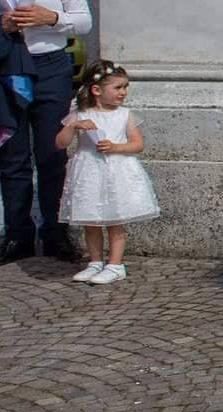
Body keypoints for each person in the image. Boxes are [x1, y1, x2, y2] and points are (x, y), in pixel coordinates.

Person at [0, 0, 92, 267]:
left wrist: (51, 17)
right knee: (11, 156)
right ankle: (17, 235)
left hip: (49, 67)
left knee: (52, 153)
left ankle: (55, 232)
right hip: (5, 69)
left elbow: (84, 21)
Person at [58, 58, 158, 285]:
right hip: (89, 173)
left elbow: (137, 144)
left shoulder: (124, 115)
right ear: (96, 90)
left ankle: (115, 264)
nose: (123, 93)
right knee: (91, 220)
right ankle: (95, 261)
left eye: (125, 87)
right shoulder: (80, 114)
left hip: (115, 173)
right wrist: (72, 126)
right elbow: (60, 143)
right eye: (118, 87)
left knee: (115, 219)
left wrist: (115, 147)